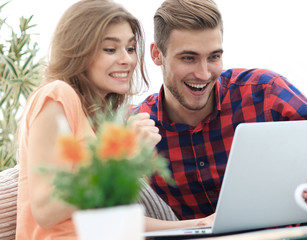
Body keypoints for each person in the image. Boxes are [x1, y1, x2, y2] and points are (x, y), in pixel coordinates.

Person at [136, 0, 307, 232]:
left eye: (213, 57)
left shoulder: (265, 92)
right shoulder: (137, 128)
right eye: (189, 58)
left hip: (293, 235)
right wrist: (198, 225)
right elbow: (104, 214)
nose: (204, 74)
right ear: (157, 55)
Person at [15, 0, 212, 239]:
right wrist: (120, 157)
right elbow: (46, 210)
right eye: (110, 49)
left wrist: (199, 224)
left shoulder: (99, 123)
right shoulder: (57, 95)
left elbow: (115, 220)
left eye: (130, 49)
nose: (127, 60)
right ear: (78, 50)